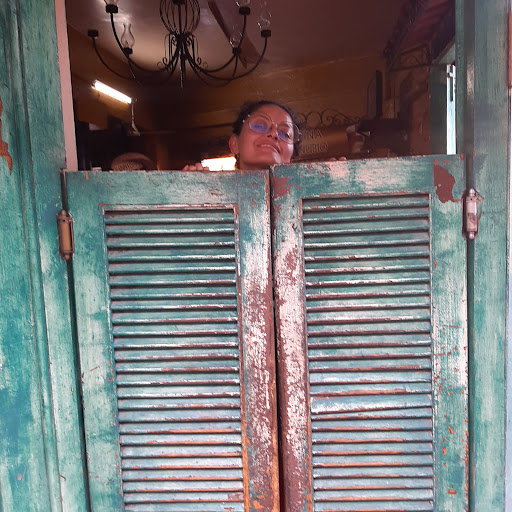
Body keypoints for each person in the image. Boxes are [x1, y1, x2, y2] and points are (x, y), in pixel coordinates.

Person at [183, 100, 301, 171]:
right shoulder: (212, 195)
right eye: (259, 126)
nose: (274, 133)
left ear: (290, 160)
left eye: (285, 134)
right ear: (235, 144)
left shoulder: (306, 201)